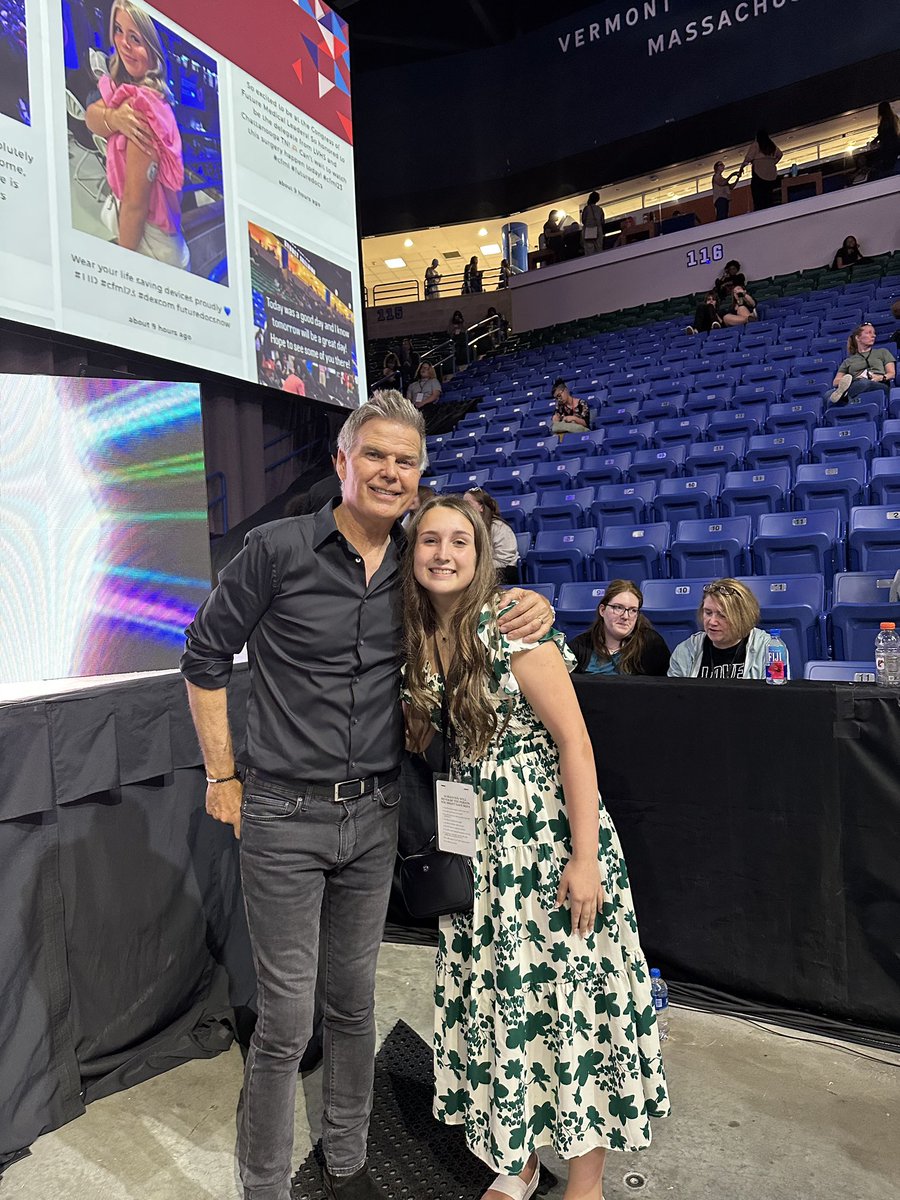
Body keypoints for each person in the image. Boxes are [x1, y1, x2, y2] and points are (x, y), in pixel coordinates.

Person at [180, 391, 554, 1200]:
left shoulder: (421, 569)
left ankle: (346, 1165)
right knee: (286, 1023)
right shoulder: (275, 551)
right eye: (375, 455)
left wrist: (535, 602)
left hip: (377, 814)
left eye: (407, 460)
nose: (391, 471)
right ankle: (264, 1186)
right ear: (341, 463)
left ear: (421, 475)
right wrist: (223, 775)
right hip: (281, 815)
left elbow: (480, 606)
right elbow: (204, 657)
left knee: (353, 1005)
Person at [401, 494, 669, 1200]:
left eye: (460, 540)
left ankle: (586, 1182)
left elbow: (575, 744)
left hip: (545, 838)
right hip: (477, 849)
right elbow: (425, 740)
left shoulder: (513, 625)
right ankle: (517, 1160)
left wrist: (585, 858)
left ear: (482, 552)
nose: (444, 553)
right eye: (430, 539)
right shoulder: (417, 636)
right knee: (500, 1000)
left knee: (575, 1002)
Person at [85, 0, 189, 268]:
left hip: (154, 246)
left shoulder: (143, 106)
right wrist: (114, 118)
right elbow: (92, 117)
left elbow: (135, 205)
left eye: (136, 38)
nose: (124, 44)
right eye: (118, 30)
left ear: (154, 48)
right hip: (158, 242)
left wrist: (123, 268)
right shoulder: (126, 90)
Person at [668, 579, 774, 679]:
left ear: (742, 616)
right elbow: (675, 695)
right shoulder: (686, 650)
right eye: (708, 613)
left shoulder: (769, 649)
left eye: (722, 615)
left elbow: (776, 695)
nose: (712, 622)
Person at [569, 581, 671, 675]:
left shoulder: (651, 644)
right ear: (602, 610)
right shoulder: (580, 646)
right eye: (618, 608)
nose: (625, 616)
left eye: (632, 610)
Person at [828, 322, 896, 405]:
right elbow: (835, 381)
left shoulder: (883, 352)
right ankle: (843, 395)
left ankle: (844, 396)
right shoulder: (848, 361)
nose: (873, 336)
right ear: (858, 338)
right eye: (868, 333)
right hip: (855, 383)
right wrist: (850, 380)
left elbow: (892, 374)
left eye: (874, 333)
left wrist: (880, 377)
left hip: (878, 384)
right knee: (827, 395)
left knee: (864, 383)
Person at [462, 487, 520, 584]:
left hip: (502, 570)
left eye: (468, 504)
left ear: (481, 507)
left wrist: (478, 567)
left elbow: (504, 559)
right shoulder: (466, 528)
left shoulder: (499, 527)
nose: (464, 509)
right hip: (480, 569)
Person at [741, 129, 783, 211]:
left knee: (759, 198)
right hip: (771, 174)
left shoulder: (756, 145)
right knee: (769, 197)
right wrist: (773, 162)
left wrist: (742, 167)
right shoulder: (772, 145)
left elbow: (748, 158)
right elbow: (780, 154)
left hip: (759, 172)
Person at [867, 101, 900, 181]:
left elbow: (883, 134)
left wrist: (874, 142)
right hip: (895, 146)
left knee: (886, 166)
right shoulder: (894, 118)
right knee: (891, 165)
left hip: (888, 148)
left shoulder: (885, 121)